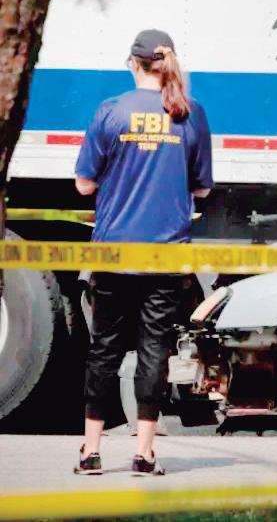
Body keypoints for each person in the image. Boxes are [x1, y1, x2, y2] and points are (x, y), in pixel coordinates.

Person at [73, 29, 213, 476]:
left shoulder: (111, 110)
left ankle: (91, 452)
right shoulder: (190, 113)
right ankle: (145, 453)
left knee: (105, 349)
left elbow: (84, 184)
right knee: (154, 351)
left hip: (114, 252)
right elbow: (202, 188)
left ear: (134, 63)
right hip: (166, 254)